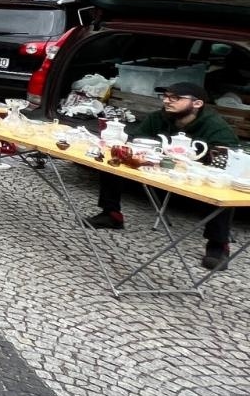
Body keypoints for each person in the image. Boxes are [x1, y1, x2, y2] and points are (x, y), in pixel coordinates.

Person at [85, 82, 239, 270]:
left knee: (223, 186)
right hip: (157, 165)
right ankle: (111, 213)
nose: (167, 101)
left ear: (197, 104)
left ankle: (218, 245)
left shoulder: (214, 125)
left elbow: (228, 156)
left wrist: (200, 162)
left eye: (175, 98)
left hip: (195, 172)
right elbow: (138, 139)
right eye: (165, 96)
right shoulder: (159, 117)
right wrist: (143, 155)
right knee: (115, 160)